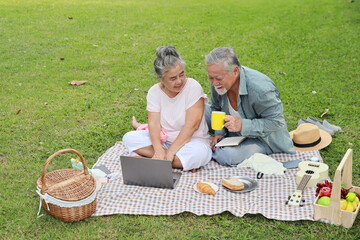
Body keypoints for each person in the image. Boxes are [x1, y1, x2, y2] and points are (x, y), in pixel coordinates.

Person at [122, 46, 212, 171]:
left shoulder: (193, 87)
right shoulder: (154, 92)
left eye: (182, 74)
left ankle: (151, 158)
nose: (179, 81)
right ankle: (176, 161)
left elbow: (192, 126)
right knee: (129, 138)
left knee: (199, 154)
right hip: (165, 141)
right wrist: (159, 149)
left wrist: (171, 152)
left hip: (192, 142)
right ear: (160, 78)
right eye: (173, 78)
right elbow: (153, 123)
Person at [204, 47, 295, 167]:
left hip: (261, 139)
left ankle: (207, 148)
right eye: (211, 77)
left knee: (227, 156)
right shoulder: (217, 82)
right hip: (230, 130)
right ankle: (217, 143)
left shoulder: (261, 89)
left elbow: (277, 122)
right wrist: (219, 133)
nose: (214, 83)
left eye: (218, 78)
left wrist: (242, 125)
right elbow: (216, 109)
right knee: (199, 109)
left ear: (235, 71)